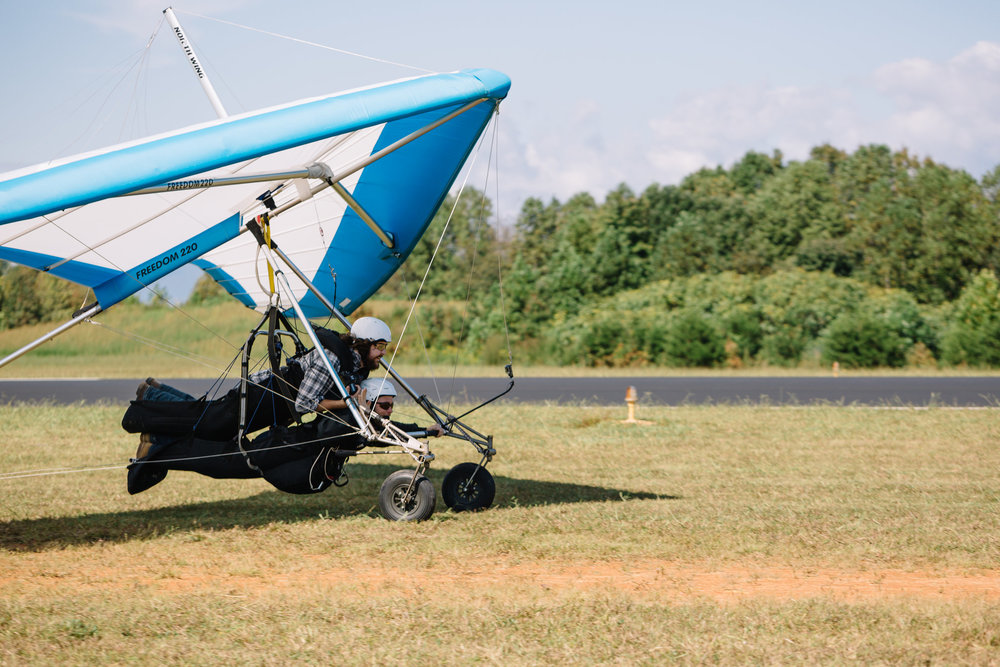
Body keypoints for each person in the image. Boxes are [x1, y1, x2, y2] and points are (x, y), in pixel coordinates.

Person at [126, 317, 393, 495]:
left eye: (385, 347)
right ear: (363, 343)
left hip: (273, 403)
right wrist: (347, 402)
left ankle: (157, 394)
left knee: (210, 421)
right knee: (208, 423)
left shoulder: (355, 366)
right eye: (380, 346)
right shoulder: (333, 360)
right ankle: (147, 402)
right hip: (262, 394)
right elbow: (304, 404)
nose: (383, 353)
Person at [359, 378, 444, 437]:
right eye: (385, 406)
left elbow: (396, 428)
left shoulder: (376, 424)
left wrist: (426, 430)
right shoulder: (352, 425)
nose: (390, 410)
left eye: (391, 405)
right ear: (368, 404)